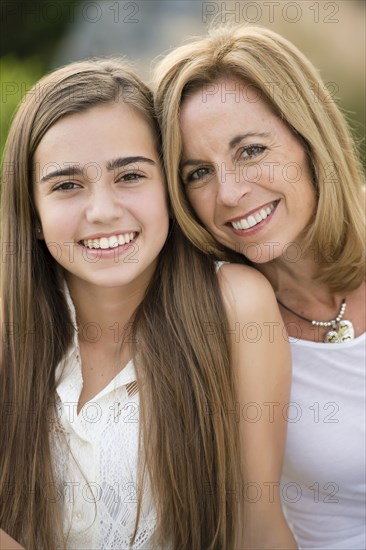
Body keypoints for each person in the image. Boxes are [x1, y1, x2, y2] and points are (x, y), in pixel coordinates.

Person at [0, 59, 296, 549]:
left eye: (130, 176)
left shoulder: (235, 306)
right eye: (67, 185)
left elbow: (257, 528)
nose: (103, 211)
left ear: (169, 187)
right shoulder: (10, 319)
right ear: (32, 212)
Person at [153, 24, 366, 550]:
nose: (228, 193)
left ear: (308, 136)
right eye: (198, 172)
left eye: (250, 151)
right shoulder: (225, 312)